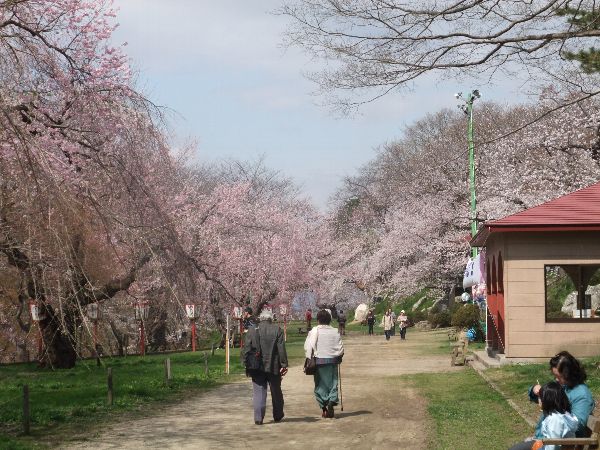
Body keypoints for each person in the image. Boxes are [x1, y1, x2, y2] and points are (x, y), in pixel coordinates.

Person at [509, 351, 595, 450]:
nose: (556, 380)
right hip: (543, 439)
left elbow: (577, 426)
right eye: (555, 376)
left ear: (569, 374)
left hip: (560, 445)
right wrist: (534, 390)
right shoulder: (563, 384)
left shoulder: (582, 395)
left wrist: (556, 412)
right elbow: (544, 398)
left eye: (559, 376)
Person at [242, 309, 288, 425]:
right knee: (276, 391)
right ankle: (278, 415)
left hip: (256, 367)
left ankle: (258, 417)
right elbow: (281, 349)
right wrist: (284, 364)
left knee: (259, 392)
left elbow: (246, 349)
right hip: (273, 366)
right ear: (271, 319)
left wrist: (245, 363)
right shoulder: (277, 330)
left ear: (260, 319)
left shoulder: (252, 330)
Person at [304, 309, 344, 418]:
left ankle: (324, 408)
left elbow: (308, 346)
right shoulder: (335, 331)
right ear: (330, 320)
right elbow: (340, 348)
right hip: (332, 361)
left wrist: (308, 358)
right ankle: (331, 401)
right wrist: (339, 355)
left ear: (318, 320)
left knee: (320, 385)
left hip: (319, 361)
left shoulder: (314, 331)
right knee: (333, 383)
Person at [530, 381, 579, 450]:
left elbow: (553, 445)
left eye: (540, 397)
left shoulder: (554, 419)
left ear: (547, 400)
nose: (539, 400)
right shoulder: (562, 414)